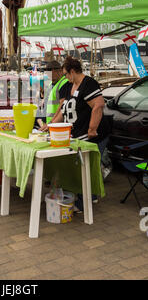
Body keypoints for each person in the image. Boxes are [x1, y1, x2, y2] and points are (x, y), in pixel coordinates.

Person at [51, 56, 111, 211]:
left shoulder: (88, 83)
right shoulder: (70, 86)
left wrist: (92, 129)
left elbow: (98, 105)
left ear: (72, 71)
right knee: (79, 169)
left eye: (65, 74)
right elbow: (64, 111)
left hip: (93, 134)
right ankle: (85, 199)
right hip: (78, 135)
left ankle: (86, 202)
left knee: (87, 168)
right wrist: (50, 126)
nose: (65, 77)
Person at [37, 60, 68, 128]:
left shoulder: (64, 84)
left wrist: (51, 123)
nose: (47, 75)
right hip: (49, 124)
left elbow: (62, 107)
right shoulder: (52, 83)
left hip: (56, 125)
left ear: (58, 71)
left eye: (48, 72)